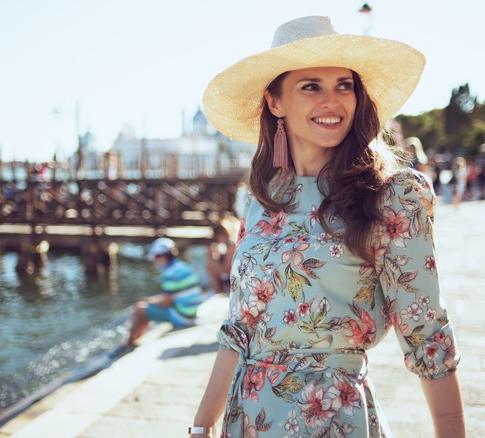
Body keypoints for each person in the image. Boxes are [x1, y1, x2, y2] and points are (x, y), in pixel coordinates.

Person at [191, 16, 464, 438]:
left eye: (344, 85)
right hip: (245, 419)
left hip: (332, 419)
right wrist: (200, 425)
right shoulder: (264, 197)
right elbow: (238, 329)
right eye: (311, 86)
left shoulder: (393, 195)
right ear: (275, 101)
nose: (332, 101)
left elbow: (426, 333)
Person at [125, 237, 202, 347]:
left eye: (156, 258)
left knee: (139, 309)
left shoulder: (169, 273)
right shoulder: (182, 266)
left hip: (182, 317)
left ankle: (129, 342)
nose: (155, 263)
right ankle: (135, 338)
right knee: (145, 308)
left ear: (161, 257)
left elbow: (166, 303)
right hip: (191, 314)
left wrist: (148, 301)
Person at [205, 219, 237, 294]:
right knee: (210, 261)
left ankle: (217, 290)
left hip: (231, 279)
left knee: (210, 263)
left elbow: (226, 269)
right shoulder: (228, 245)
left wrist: (213, 257)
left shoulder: (232, 245)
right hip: (229, 277)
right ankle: (216, 290)